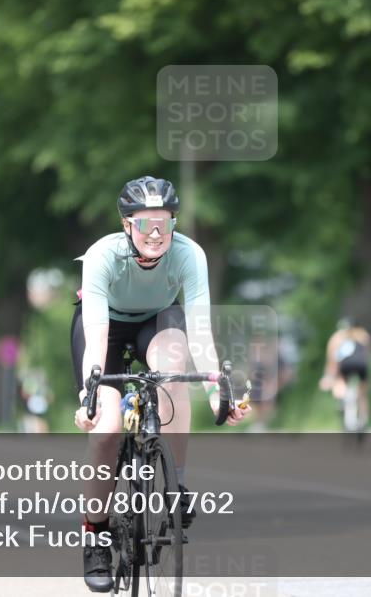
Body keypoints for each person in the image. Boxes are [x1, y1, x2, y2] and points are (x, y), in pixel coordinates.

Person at [71, 176, 250, 592]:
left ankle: (177, 486)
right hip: (106, 329)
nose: (155, 233)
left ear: (174, 224)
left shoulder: (189, 254)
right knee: (108, 430)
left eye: (165, 224)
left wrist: (216, 392)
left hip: (157, 321)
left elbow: (201, 332)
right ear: (126, 225)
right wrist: (90, 397)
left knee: (174, 374)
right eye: (145, 223)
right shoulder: (102, 256)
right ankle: (95, 535)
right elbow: (96, 340)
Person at [319, 316, 371, 431]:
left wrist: (328, 376)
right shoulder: (363, 335)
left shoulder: (336, 338)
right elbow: (367, 354)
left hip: (345, 366)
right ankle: (364, 418)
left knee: (339, 382)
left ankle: (342, 400)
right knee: (363, 393)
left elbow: (332, 360)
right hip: (361, 366)